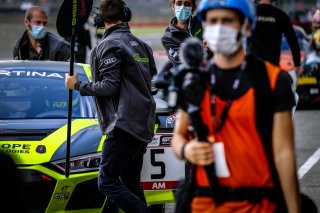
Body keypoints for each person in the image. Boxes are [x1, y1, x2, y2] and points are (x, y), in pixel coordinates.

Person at [171, 0, 301, 212]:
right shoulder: (193, 79)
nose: (219, 27)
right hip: (204, 203)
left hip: (257, 203)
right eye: (213, 21)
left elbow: (284, 154)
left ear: (246, 26)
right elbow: (178, 137)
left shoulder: (273, 80)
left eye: (228, 20)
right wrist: (187, 149)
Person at [65, 0, 157, 212]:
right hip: (143, 124)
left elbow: (109, 87)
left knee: (106, 182)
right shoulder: (142, 46)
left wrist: (77, 85)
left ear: (100, 19)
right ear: (125, 15)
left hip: (122, 124)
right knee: (131, 183)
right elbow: (152, 84)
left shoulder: (108, 45)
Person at [247, 0, 303, 76]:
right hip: (273, 69)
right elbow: (293, 42)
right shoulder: (280, 15)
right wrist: (297, 64)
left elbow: (239, 37)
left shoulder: (250, 14)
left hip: (253, 67)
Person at [161, 0, 204, 68]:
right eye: (179, 3)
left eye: (187, 4)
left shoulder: (202, 22)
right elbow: (184, 62)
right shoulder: (168, 38)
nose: (182, 7)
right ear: (173, 6)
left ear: (193, 7)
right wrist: (204, 49)